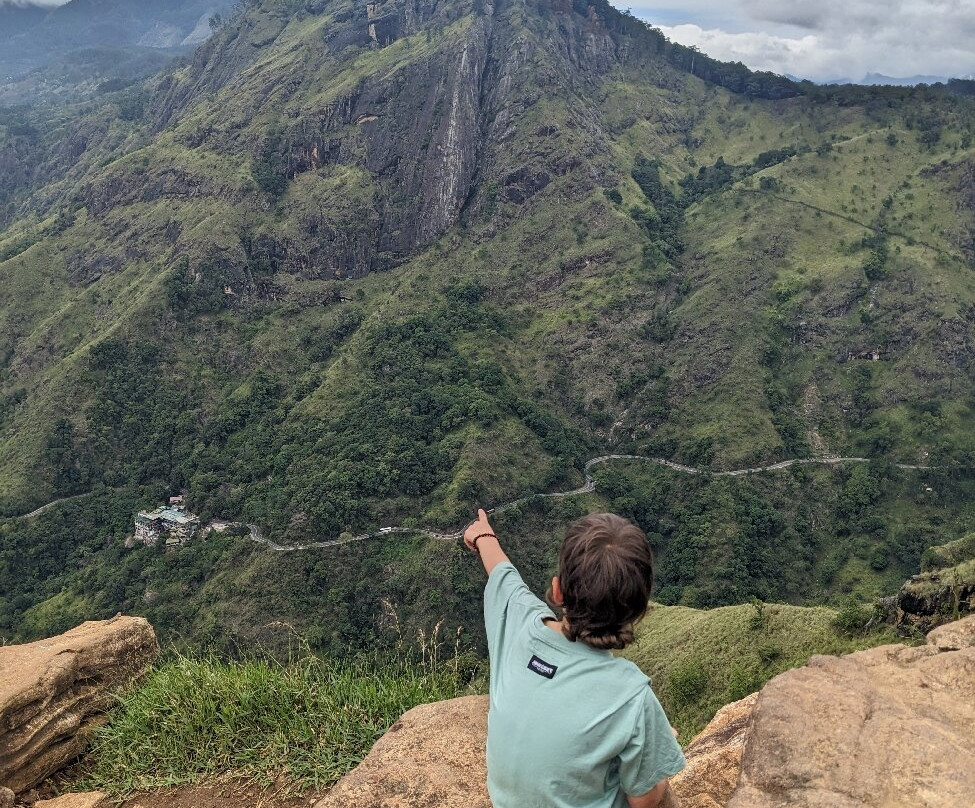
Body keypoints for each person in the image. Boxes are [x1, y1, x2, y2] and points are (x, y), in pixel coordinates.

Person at [465, 509, 685, 808]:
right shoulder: (631, 695)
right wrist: (659, 745)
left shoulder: (521, 625)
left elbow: (503, 573)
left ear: (557, 590)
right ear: (640, 610)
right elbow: (643, 801)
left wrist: (482, 535)